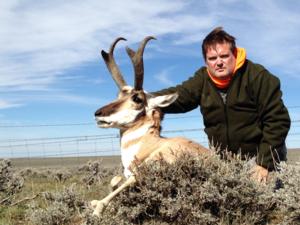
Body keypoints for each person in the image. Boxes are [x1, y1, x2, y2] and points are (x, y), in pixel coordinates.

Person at [153, 27, 291, 183]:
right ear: (206, 61)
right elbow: (180, 95)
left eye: (224, 56)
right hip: (224, 163)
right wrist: (145, 98)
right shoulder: (203, 79)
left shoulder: (257, 76)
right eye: (212, 58)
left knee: (267, 201)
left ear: (235, 54)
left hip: (260, 158)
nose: (219, 62)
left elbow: (278, 121)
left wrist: (264, 163)